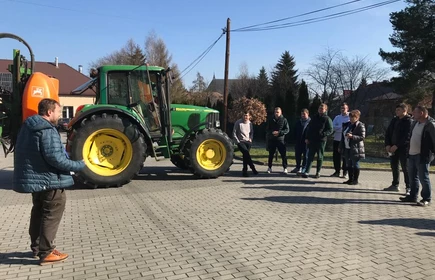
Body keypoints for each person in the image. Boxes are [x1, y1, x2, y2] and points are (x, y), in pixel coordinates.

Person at [13, 98, 86, 265]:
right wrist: (79, 165)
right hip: (50, 180)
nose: (60, 116)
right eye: (59, 112)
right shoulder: (47, 130)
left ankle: (38, 247)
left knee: (38, 212)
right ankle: (47, 253)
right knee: (51, 215)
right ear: (49, 112)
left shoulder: (28, 128)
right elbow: (55, 158)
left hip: (37, 181)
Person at [400, 106, 435, 206]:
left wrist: (431, 155)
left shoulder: (430, 125)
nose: (413, 114)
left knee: (423, 177)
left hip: (422, 155)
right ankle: (412, 196)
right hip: (412, 154)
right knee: (412, 176)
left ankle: (426, 198)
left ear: (422, 113)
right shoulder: (415, 123)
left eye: (415, 113)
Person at [384, 103, 412, 194]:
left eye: (398, 110)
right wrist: (388, 144)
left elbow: (407, 136)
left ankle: (409, 187)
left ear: (405, 110)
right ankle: (395, 184)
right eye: (396, 110)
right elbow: (388, 132)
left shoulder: (409, 121)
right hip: (392, 147)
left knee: (405, 168)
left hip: (403, 148)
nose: (396, 112)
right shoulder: (394, 120)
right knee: (394, 166)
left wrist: (397, 145)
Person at [301, 103, 333, 178]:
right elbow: (309, 128)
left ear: (325, 110)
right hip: (312, 140)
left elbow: (330, 129)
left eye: (322, 109)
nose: (320, 110)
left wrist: (323, 134)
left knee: (319, 156)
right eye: (319, 108)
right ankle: (307, 171)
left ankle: (318, 172)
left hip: (321, 140)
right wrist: (307, 137)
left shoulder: (327, 118)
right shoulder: (314, 117)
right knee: (310, 156)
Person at [339, 110, 365, 185]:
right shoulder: (348, 125)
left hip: (356, 148)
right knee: (348, 164)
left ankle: (355, 180)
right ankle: (350, 179)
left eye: (353, 117)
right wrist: (341, 146)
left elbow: (362, 137)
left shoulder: (360, 125)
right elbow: (343, 136)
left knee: (355, 163)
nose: (351, 119)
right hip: (347, 147)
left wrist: (352, 136)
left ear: (357, 118)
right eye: (350, 117)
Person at [233, 111, 258, 177]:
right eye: (244, 115)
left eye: (247, 115)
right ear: (242, 116)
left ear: (249, 116)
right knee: (246, 153)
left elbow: (252, 132)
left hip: (248, 142)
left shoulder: (250, 123)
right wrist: (237, 141)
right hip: (241, 141)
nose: (245, 117)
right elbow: (234, 133)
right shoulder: (238, 123)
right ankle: (253, 168)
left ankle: (245, 171)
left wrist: (251, 139)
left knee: (245, 156)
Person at [266, 107, 290, 174]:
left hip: (280, 140)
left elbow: (287, 129)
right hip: (272, 139)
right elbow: (267, 129)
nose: (276, 114)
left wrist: (280, 133)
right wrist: (272, 132)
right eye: (275, 112)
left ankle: (285, 168)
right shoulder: (271, 119)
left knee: (283, 155)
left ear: (281, 112)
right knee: (271, 154)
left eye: (278, 112)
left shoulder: (284, 120)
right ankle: (269, 167)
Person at [331, 103, 350, 178]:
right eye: (341, 108)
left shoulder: (349, 117)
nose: (343, 110)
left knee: (345, 156)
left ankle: (345, 172)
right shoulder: (337, 117)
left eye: (344, 108)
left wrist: (340, 128)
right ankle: (337, 171)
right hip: (337, 138)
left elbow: (348, 128)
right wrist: (341, 128)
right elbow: (333, 127)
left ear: (347, 108)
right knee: (336, 156)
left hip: (346, 140)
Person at [291, 109, 311, 174]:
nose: (302, 115)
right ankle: (297, 167)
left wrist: (309, 139)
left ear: (308, 114)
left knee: (305, 156)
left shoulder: (310, 123)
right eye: (302, 114)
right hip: (298, 141)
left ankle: (304, 168)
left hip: (306, 142)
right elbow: (295, 131)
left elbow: (312, 132)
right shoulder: (298, 122)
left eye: (304, 114)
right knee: (297, 155)